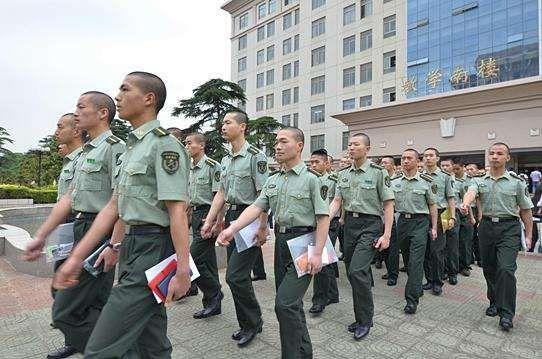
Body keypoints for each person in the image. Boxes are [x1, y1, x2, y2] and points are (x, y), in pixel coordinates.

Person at [50, 72, 192, 357]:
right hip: (132, 246)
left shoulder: (163, 145)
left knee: (100, 350)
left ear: (149, 99)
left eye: (125, 89)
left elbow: (177, 211)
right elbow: (115, 206)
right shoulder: (130, 148)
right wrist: (80, 257)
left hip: (154, 247)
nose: (118, 96)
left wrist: (183, 268)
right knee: (151, 339)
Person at [24, 92, 125, 359]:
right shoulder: (86, 152)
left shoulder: (115, 148)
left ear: (102, 113)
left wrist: (114, 244)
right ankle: (89, 344)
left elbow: (120, 202)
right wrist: (42, 235)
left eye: (81, 107)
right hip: (78, 227)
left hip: (98, 232)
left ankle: (108, 350)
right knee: (78, 300)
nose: (76, 112)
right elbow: (69, 198)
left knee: (66, 309)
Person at [217, 127, 329, 359]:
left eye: (283, 141)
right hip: (282, 243)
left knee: (284, 304)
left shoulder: (312, 180)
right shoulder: (273, 180)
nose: (277, 146)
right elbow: (257, 207)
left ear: (299, 146)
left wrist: (318, 253)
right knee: (292, 304)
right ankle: (303, 352)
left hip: (305, 244)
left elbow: (323, 217)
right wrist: (232, 228)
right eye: (276, 141)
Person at [201, 111, 269, 347]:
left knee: (235, 276)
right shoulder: (226, 159)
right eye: (222, 123)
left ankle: (252, 322)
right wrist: (210, 220)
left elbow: (263, 195)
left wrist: (263, 226)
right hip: (232, 217)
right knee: (237, 276)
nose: (223, 126)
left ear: (242, 127)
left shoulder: (255, 156)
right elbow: (221, 192)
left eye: (228, 122)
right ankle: (251, 321)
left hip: (249, 219)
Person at [328, 133, 394, 340]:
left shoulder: (378, 173)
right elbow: (337, 201)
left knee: (357, 270)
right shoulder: (344, 173)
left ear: (368, 149)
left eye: (356, 144)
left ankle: (365, 320)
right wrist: (324, 219)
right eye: (349, 144)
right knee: (352, 271)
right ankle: (360, 317)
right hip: (350, 226)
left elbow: (388, 203)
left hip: (370, 225)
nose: (351, 148)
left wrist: (387, 235)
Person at [461, 142, 533, 331]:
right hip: (486, 228)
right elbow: (470, 192)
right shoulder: (479, 180)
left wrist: (529, 235)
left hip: (509, 228)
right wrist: (465, 203)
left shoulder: (516, 182)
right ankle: (493, 301)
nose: (494, 156)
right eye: (491, 153)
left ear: (507, 158)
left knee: (506, 270)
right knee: (490, 269)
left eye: (499, 153)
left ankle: (507, 314)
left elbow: (526, 210)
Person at [391, 149, 438, 314]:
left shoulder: (427, 181)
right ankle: (416, 287)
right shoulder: (394, 180)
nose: (405, 161)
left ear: (417, 161)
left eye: (409, 158)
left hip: (420, 222)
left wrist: (434, 227)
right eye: (403, 158)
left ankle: (411, 300)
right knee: (408, 259)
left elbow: (433, 205)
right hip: (402, 221)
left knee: (416, 261)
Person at [185, 133, 224, 319]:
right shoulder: (189, 168)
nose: (186, 146)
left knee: (190, 260)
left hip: (208, 216)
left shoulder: (212, 166)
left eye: (189, 143)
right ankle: (212, 303)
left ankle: (215, 291)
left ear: (201, 146)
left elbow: (220, 196)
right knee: (207, 261)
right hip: (195, 214)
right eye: (185, 143)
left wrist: (216, 221)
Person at [308, 149, 339, 315]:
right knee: (326, 261)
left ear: (327, 164)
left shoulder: (333, 180)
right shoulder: (308, 178)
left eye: (316, 162)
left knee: (322, 261)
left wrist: (325, 219)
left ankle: (319, 300)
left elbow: (337, 201)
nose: (313, 165)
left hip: (329, 223)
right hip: (312, 224)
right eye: (311, 162)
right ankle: (333, 294)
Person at [422, 148, 456, 296]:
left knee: (437, 250)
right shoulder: (419, 176)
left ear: (437, 158)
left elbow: (450, 198)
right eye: (425, 156)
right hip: (422, 216)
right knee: (425, 250)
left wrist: (452, 217)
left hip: (441, 214)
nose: (428, 158)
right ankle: (429, 279)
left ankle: (437, 281)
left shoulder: (445, 177)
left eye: (431, 156)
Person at [379, 155, 401, 286]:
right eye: (381, 163)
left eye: (386, 163)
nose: (382, 165)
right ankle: (388, 270)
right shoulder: (379, 178)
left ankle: (393, 274)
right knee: (384, 248)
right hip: (380, 216)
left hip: (394, 216)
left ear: (393, 166)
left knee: (393, 247)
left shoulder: (398, 180)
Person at [452, 158, 475, 276]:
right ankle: (453, 267)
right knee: (453, 242)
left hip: (466, 213)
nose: (455, 171)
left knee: (465, 241)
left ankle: (465, 265)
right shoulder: (450, 179)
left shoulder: (470, 180)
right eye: (453, 169)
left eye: (458, 168)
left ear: (463, 167)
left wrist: (472, 217)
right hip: (454, 213)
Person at [441, 157, 460, 285]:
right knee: (440, 246)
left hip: (453, 214)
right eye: (442, 166)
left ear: (453, 167)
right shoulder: (439, 179)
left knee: (452, 246)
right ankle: (442, 271)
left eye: (447, 165)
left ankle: (453, 272)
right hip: (440, 214)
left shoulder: (458, 181)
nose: (444, 168)